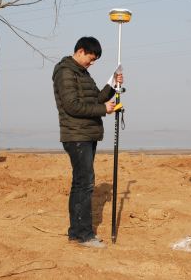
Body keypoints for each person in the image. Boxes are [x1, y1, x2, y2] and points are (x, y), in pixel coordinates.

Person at [52, 36, 123, 248]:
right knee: (85, 184)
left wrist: (113, 83)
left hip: (86, 135)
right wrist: (104, 110)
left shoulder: (82, 73)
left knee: (80, 183)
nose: (91, 63)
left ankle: (76, 232)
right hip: (76, 136)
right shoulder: (65, 72)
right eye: (90, 59)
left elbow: (96, 99)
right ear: (80, 51)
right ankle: (84, 235)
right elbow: (72, 106)